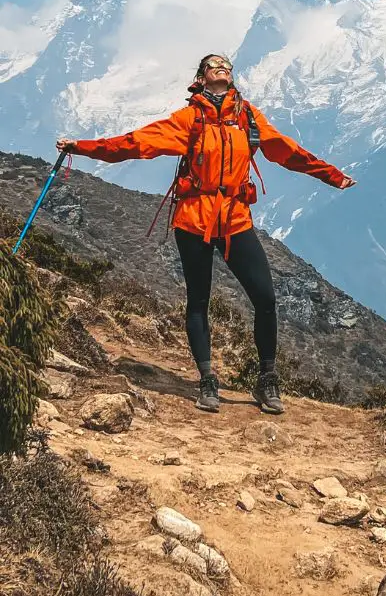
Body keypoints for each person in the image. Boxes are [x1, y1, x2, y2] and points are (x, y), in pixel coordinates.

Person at [57, 54, 355, 415]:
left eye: (227, 65)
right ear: (200, 77)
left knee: (265, 298)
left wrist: (331, 175)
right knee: (199, 300)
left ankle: (267, 379)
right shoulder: (188, 120)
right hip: (194, 220)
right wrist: (81, 147)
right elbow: (134, 143)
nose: (222, 66)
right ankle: (207, 380)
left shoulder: (247, 117)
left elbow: (287, 152)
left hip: (235, 220)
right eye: (214, 64)